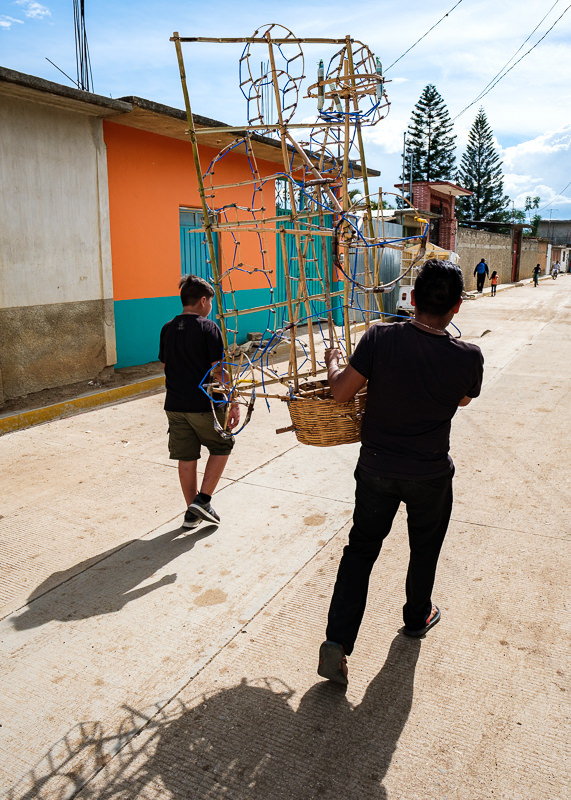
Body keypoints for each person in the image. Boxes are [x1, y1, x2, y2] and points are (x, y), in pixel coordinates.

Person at [317, 259, 484, 686]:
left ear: (411, 298)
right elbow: (462, 402)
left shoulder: (379, 338)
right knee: (424, 548)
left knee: (360, 551)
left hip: (376, 468)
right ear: (457, 308)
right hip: (429, 472)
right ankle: (416, 616)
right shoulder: (468, 356)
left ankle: (338, 640)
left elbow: (340, 392)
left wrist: (335, 360)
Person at [159, 274, 240, 529]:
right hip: (203, 404)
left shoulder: (167, 328)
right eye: (210, 303)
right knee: (223, 444)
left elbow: (164, 364)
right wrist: (234, 399)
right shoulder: (208, 328)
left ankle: (191, 514)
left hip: (174, 404)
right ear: (203, 301)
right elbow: (218, 370)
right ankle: (203, 500)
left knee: (187, 456)